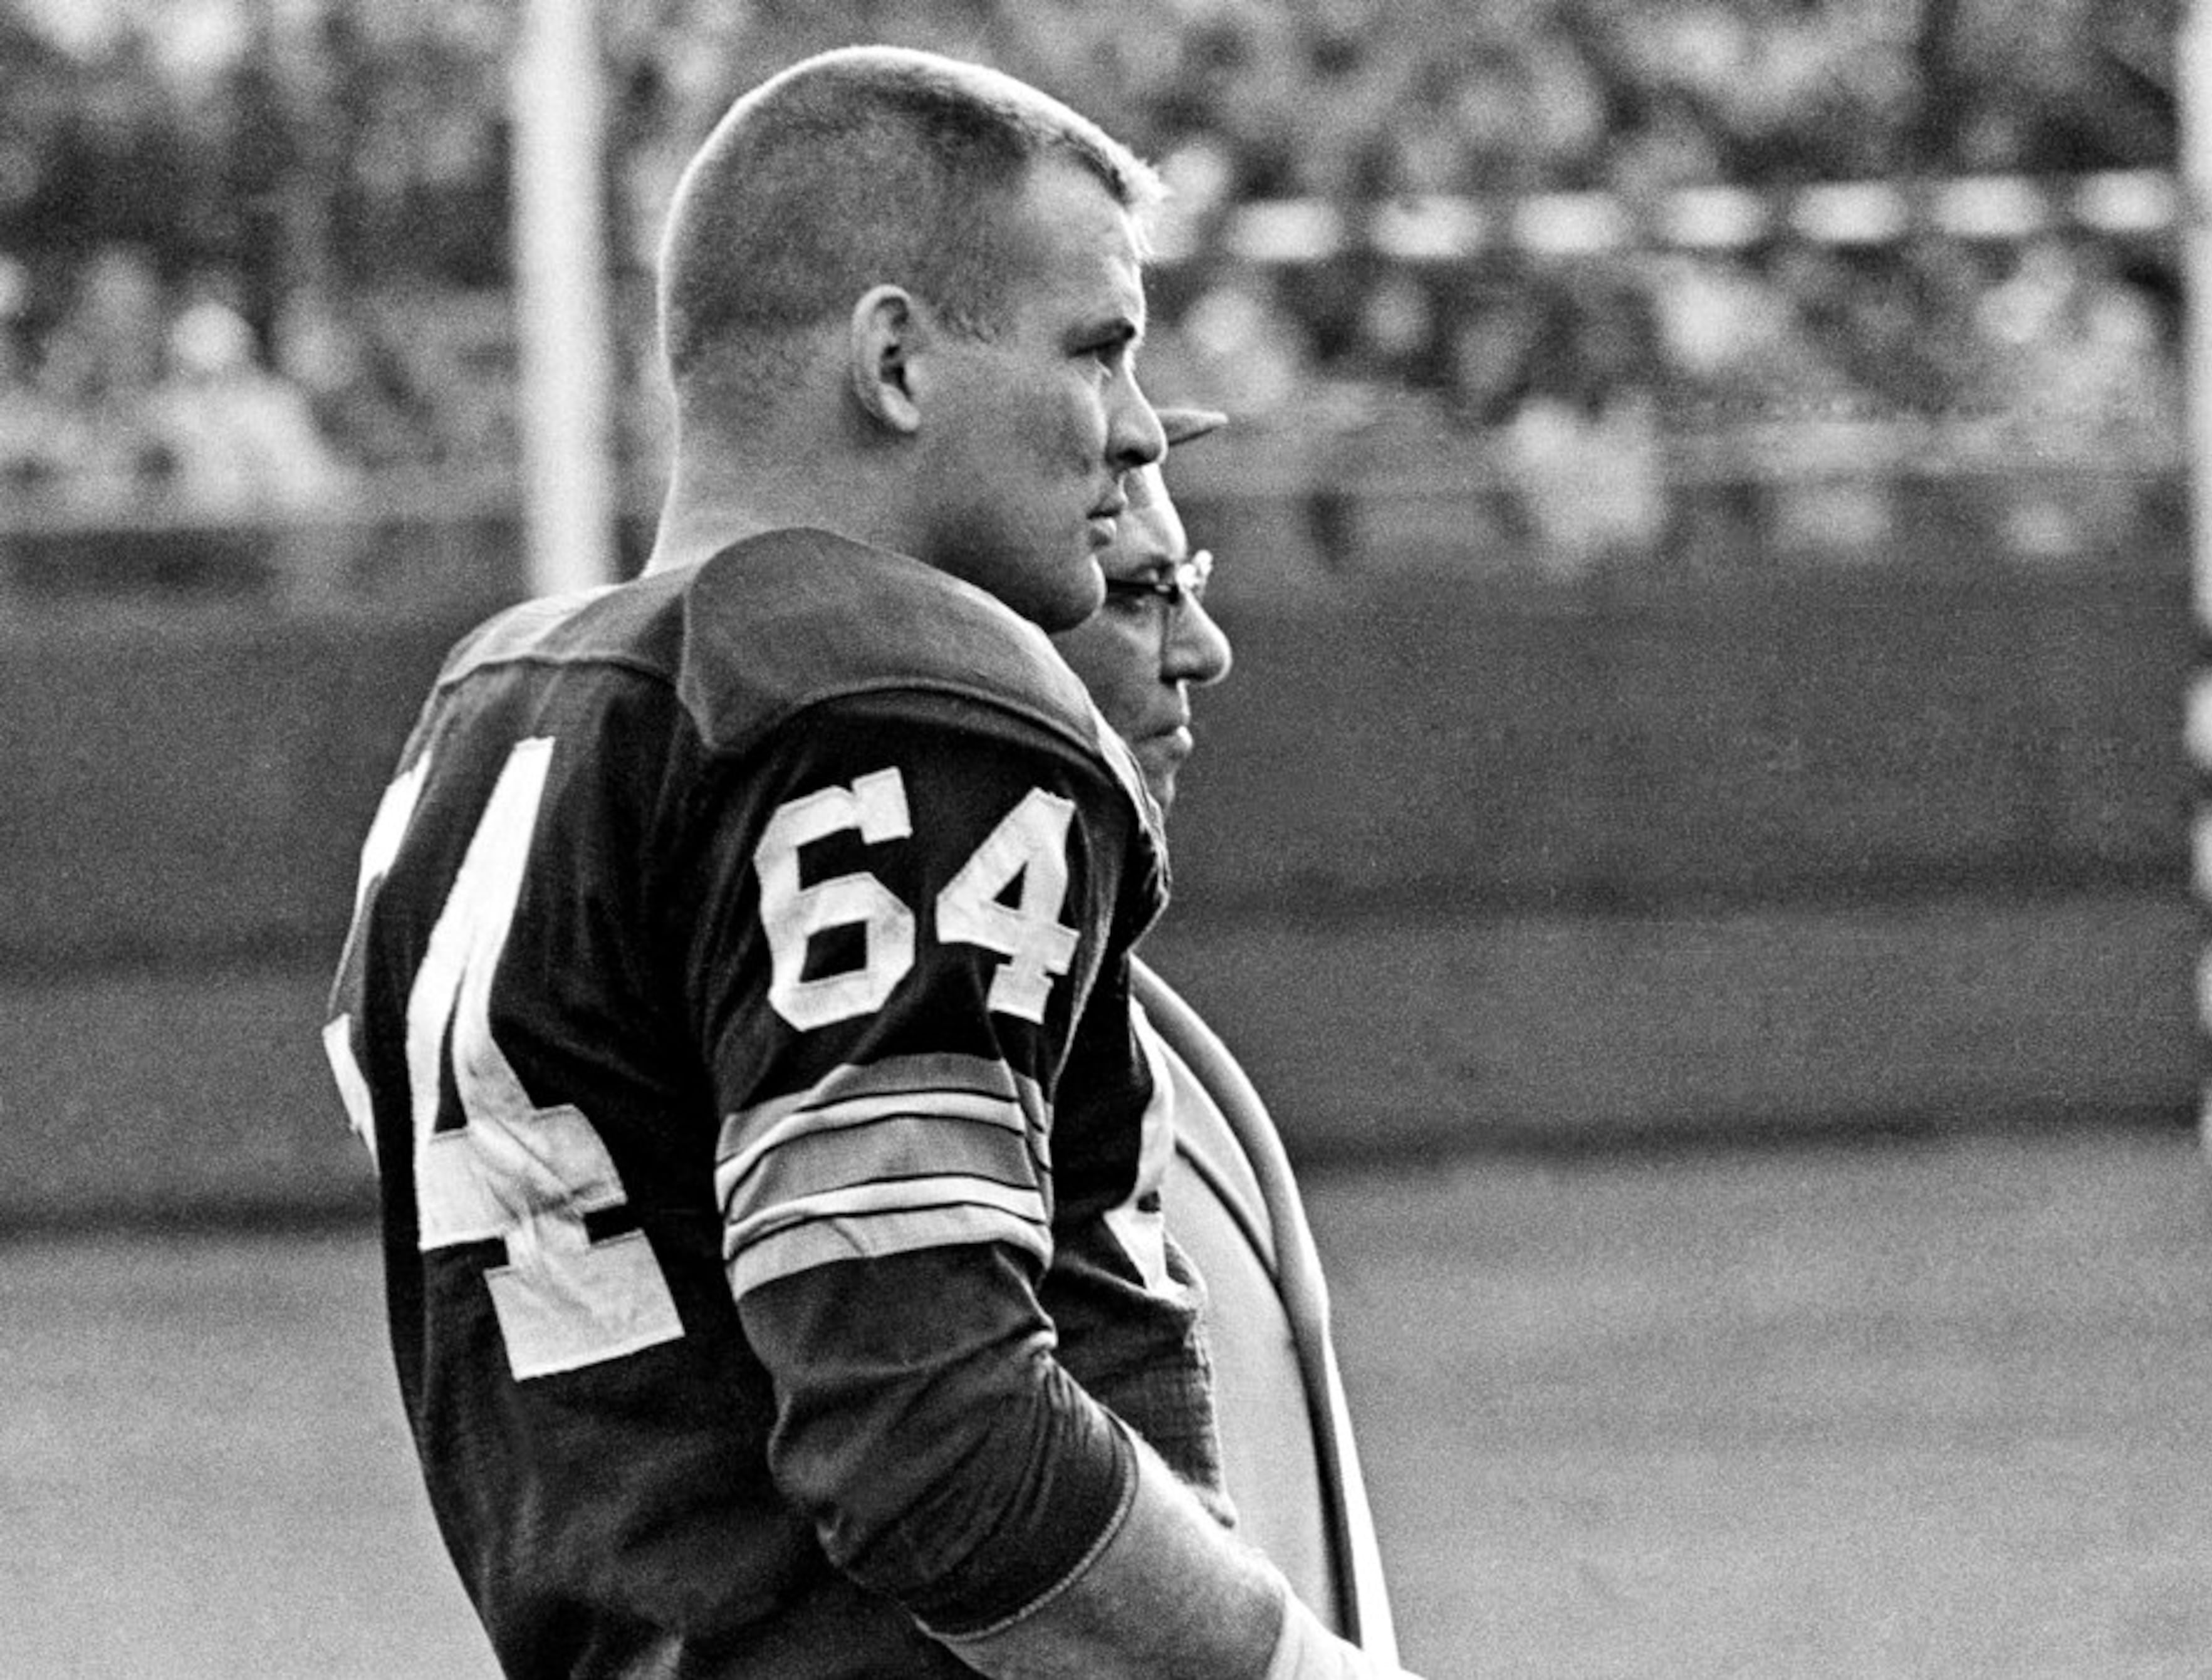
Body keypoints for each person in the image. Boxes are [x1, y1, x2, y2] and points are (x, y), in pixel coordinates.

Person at [321, 46, 1414, 1680]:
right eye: (1097, 350)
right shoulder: (883, 688)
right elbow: (939, 1443)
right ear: (895, 359)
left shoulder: (499, 714)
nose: (1126, 426)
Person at [1050, 406, 1402, 1667]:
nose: (1204, 650)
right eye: (1138, 593)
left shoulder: (1121, 1019)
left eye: (1187, 583)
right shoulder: (922, 1061)